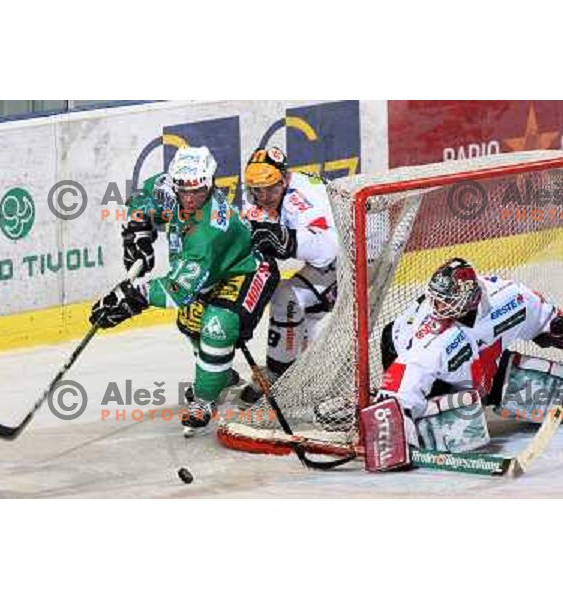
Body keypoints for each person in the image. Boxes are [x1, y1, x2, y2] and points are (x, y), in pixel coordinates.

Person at [90, 146, 279, 436]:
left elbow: (177, 290)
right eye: (184, 190)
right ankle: (221, 376)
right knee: (190, 324)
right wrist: (137, 230)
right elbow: (142, 197)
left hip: (247, 271)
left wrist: (131, 297)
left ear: (211, 183)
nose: (190, 198)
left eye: (198, 192)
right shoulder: (170, 188)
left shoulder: (210, 230)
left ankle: (204, 400)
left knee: (217, 325)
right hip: (207, 273)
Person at [378, 257, 563, 449]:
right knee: (465, 416)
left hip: (476, 363)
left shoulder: (510, 298)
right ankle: (421, 420)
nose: (437, 307)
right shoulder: (433, 339)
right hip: (403, 355)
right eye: (436, 299)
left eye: (446, 301)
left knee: (516, 379)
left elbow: (551, 321)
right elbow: (406, 373)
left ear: (470, 298)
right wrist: (395, 424)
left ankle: (486, 389)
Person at [239, 147, 339, 404]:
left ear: (285, 178)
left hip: (359, 254)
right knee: (294, 307)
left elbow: (328, 250)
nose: (263, 196)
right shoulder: (258, 193)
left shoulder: (303, 200)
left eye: (271, 188)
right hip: (333, 255)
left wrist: (288, 242)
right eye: (257, 190)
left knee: (293, 303)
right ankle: (289, 373)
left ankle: (290, 379)